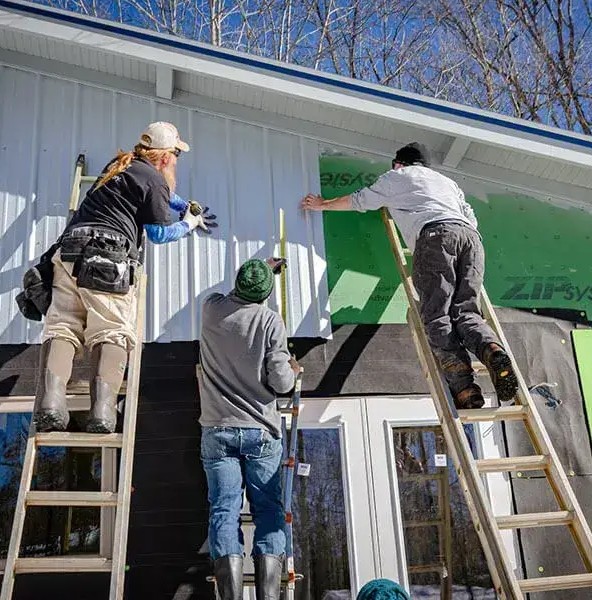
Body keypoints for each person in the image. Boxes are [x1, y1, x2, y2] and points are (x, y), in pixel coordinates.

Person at [300, 142, 518, 408]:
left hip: (436, 237)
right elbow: (470, 219)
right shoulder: (447, 182)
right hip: (471, 240)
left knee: (437, 314)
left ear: (399, 164)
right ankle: (492, 350)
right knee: (467, 312)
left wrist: (323, 204)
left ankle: (465, 390)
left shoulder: (397, 176)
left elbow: (360, 200)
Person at [34, 122, 217, 434]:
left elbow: (155, 193)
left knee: (63, 327)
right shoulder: (155, 181)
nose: (176, 161)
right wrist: (188, 222)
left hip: (69, 252)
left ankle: (51, 405)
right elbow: (158, 233)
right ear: (165, 158)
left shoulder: (119, 165)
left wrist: (183, 204)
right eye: (175, 155)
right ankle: (102, 414)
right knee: (112, 331)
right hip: (107, 258)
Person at [199, 257, 300, 600]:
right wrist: (293, 369)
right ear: (266, 294)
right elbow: (281, 382)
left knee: (224, 510)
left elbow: (234, 300)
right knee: (268, 511)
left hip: (218, 428)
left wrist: (260, 276)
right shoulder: (271, 321)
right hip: (260, 430)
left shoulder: (211, 309)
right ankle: (268, 595)